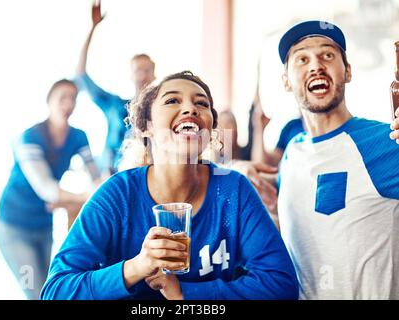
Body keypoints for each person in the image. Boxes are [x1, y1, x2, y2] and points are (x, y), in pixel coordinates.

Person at [40, 71, 298, 300]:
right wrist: (136, 267)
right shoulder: (116, 195)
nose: (191, 109)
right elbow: (56, 291)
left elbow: (281, 285)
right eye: (172, 100)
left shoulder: (233, 190)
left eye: (201, 104)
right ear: (146, 127)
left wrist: (186, 293)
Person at [276, 20, 399, 299]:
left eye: (328, 55)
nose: (316, 66)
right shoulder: (291, 153)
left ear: (348, 72)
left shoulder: (385, 141)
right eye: (302, 59)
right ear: (285, 81)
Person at [0, 79, 101, 300]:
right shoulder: (29, 138)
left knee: (48, 291)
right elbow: (48, 191)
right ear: (49, 101)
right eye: (62, 97)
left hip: (44, 226)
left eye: (73, 98)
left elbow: (96, 177)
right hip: (15, 228)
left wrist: (89, 192)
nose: (68, 103)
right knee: (34, 292)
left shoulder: (78, 137)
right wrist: (84, 197)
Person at [75, 0, 156, 175]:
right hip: (111, 177)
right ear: (131, 75)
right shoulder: (115, 106)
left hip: (146, 179)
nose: (142, 75)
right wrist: (93, 28)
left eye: (147, 70)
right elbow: (81, 75)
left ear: (154, 75)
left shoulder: (162, 112)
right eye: (138, 70)